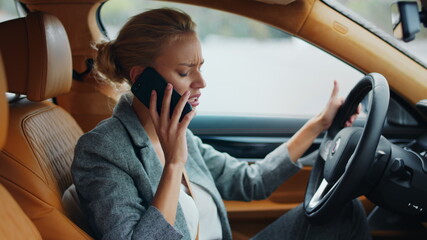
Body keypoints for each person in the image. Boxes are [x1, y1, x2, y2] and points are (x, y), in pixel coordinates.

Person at [71, 8, 369, 240]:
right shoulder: (102, 151)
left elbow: (250, 181)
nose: (202, 83)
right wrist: (174, 164)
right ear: (141, 78)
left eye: (200, 68)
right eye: (185, 72)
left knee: (345, 211)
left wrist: (319, 123)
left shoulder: (182, 134)